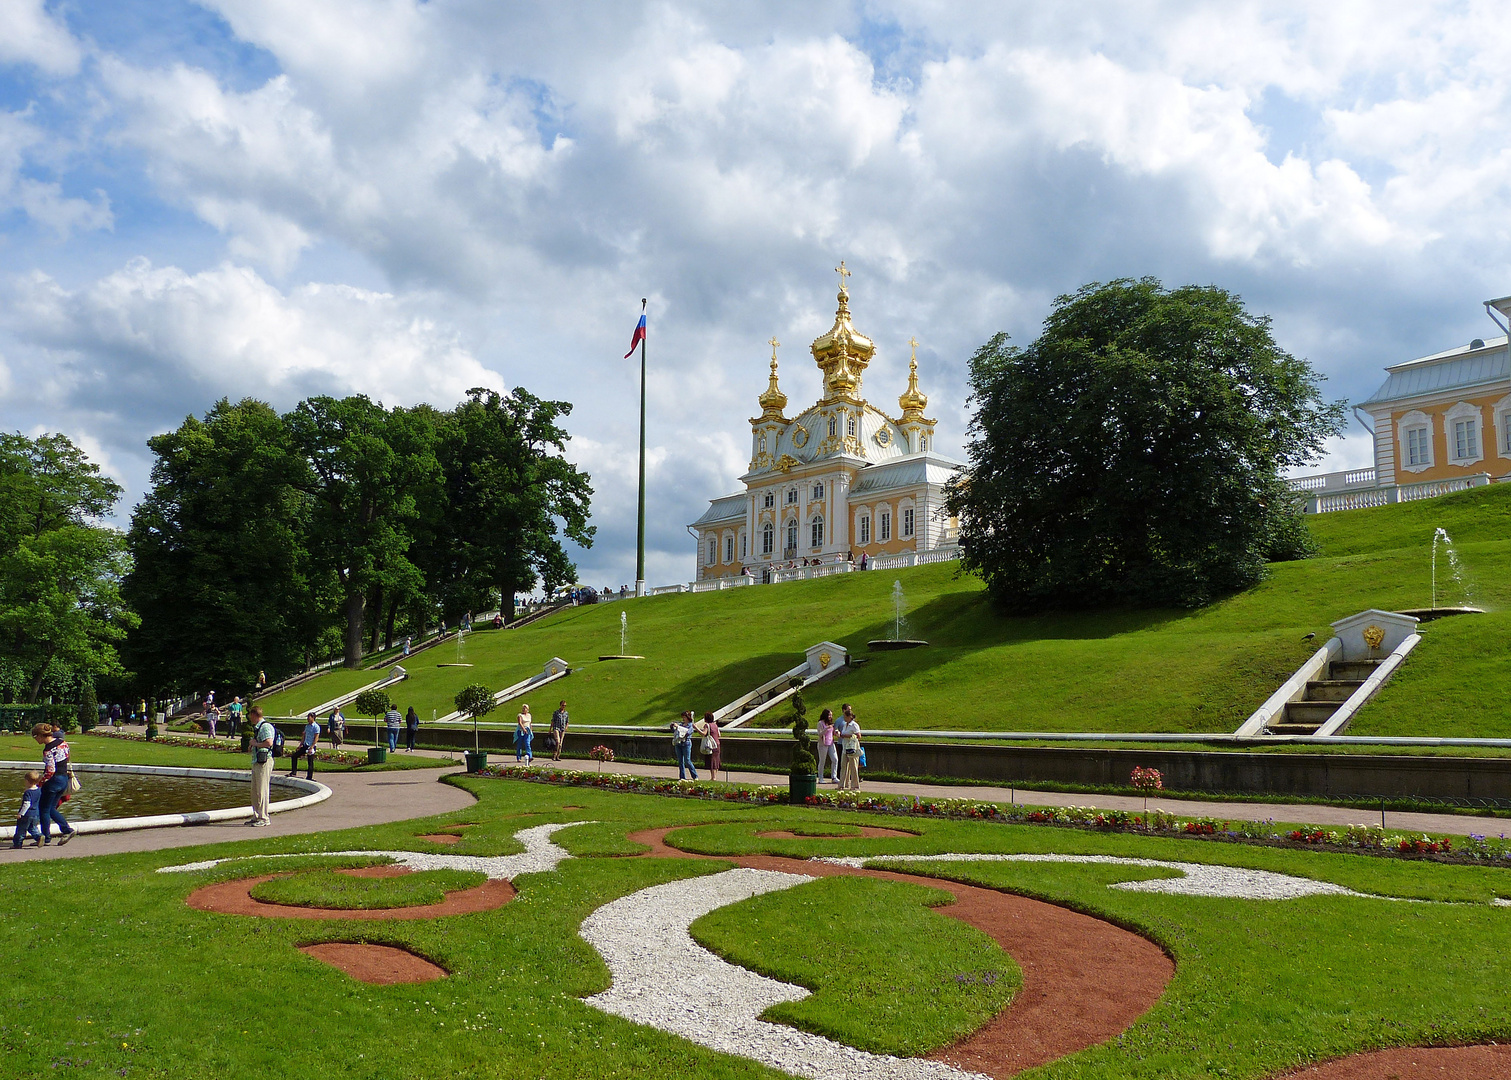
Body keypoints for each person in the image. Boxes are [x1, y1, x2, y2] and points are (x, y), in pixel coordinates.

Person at [31, 723, 76, 845]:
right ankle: (63, 831)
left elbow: (50, 770)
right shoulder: (62, 742)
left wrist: (40, 783)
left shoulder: (48, 750)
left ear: (41, 735)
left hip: (53, 782)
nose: (36, 740)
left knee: (44, 809)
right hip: (63, 780)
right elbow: (67, 758)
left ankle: (49, 836)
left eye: (36, 737)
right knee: (51, 808)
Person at [247, 707, 275, 826]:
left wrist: (256, 744)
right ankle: (257, 815)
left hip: (264, 762)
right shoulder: (258, 727)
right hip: (257, 761)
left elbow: (269, 742)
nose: (249, 718)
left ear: (254, 714)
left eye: (250, 715)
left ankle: (264, 818)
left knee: (262, 790)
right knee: (255, 790)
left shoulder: (265, 726)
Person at [12, 771, 42, 848]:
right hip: (35, 813)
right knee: (32, 828)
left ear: (28, 781)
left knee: (21, 830)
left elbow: (26, 804)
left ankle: (17, 844)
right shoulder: (38, 790)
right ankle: (39, 837)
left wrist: (20, 814)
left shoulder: (28, 793)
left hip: (27, 814)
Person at [289, 713, 320, 780]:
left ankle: (309, 777)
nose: (308, 719)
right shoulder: (307, 726)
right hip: (306, 745)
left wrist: (312, 746)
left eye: (309, 717)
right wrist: (300, 745)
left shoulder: (316, 727)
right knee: (294, 756)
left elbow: (316, 738)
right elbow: (304, 736)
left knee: (310, 761)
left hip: (311, 746)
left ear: (313, 718)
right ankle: (293, 772)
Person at [839, 705, 863, 790]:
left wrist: (847, 735)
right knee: (843, 766)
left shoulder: (854, 725)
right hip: (845, 747)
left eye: (845, 717)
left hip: (853, 748)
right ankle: (842, 784)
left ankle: (855, 785)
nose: (844, 718)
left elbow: (858, 735)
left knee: (853, 767)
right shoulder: (845, 724)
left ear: (849, 717)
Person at [671, 711, 698, 780]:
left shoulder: (690, 725)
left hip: (686, 744)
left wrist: (678, 727)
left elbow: (687, 732)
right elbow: (675, 732)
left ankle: (695, 776)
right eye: (682, 717)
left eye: (684, 717)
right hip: (678, 743)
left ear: (688, 717)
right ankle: (682, 777)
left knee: (687, 760)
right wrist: (673, 727)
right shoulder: (681, 724)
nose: (683, 718)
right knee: (680, 761)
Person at [815, 709, 837, 784]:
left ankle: (834, 777)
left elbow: (833, 732)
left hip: (831, 743)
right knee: (822, 761)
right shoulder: (820, 723)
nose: (831, 717)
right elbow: (820, 734)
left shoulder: (831, 724)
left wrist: (836, 732)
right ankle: (820, 778)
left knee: (835, 759)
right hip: (823, 744)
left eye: (831, 715)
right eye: (829, 715)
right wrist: (826, 728)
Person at [701, 711, 721, 776]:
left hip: (711, 745)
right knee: (716, 760)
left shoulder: (707, 725)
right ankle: (715, 776)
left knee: (712, 761)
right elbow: (719, 735)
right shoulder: (715, 725)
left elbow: (704, 733)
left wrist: (696, 728)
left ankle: (713, 777)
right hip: (717, 744)